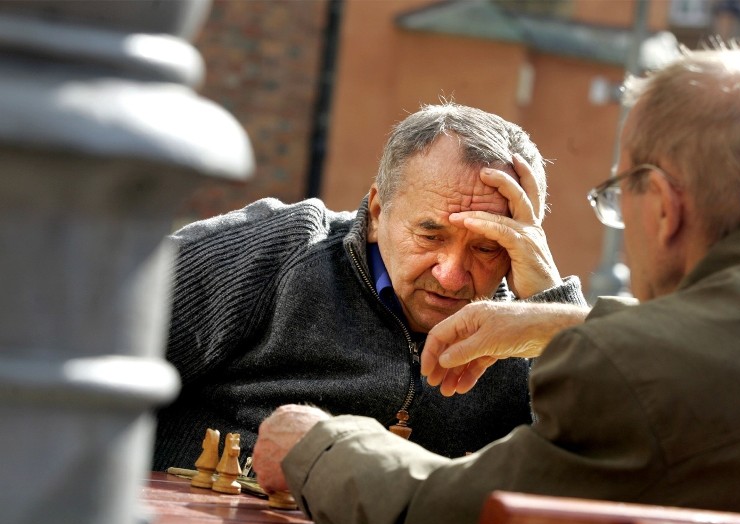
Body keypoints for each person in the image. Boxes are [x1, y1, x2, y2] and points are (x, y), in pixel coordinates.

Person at [253, 45, 740, 524]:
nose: (451, 271)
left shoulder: (636, 368)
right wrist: (564, 320)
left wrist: (318, 446)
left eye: (618, 195)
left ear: (664, 207)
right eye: (430, 233)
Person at [153, 102, 587, 471]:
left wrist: (551, 312)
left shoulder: (530, 338)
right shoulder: (281, 249)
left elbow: (609, 478)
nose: (451, 275)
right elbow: (97, 328)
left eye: (488, 248)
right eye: (430, 236)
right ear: (378, 212)